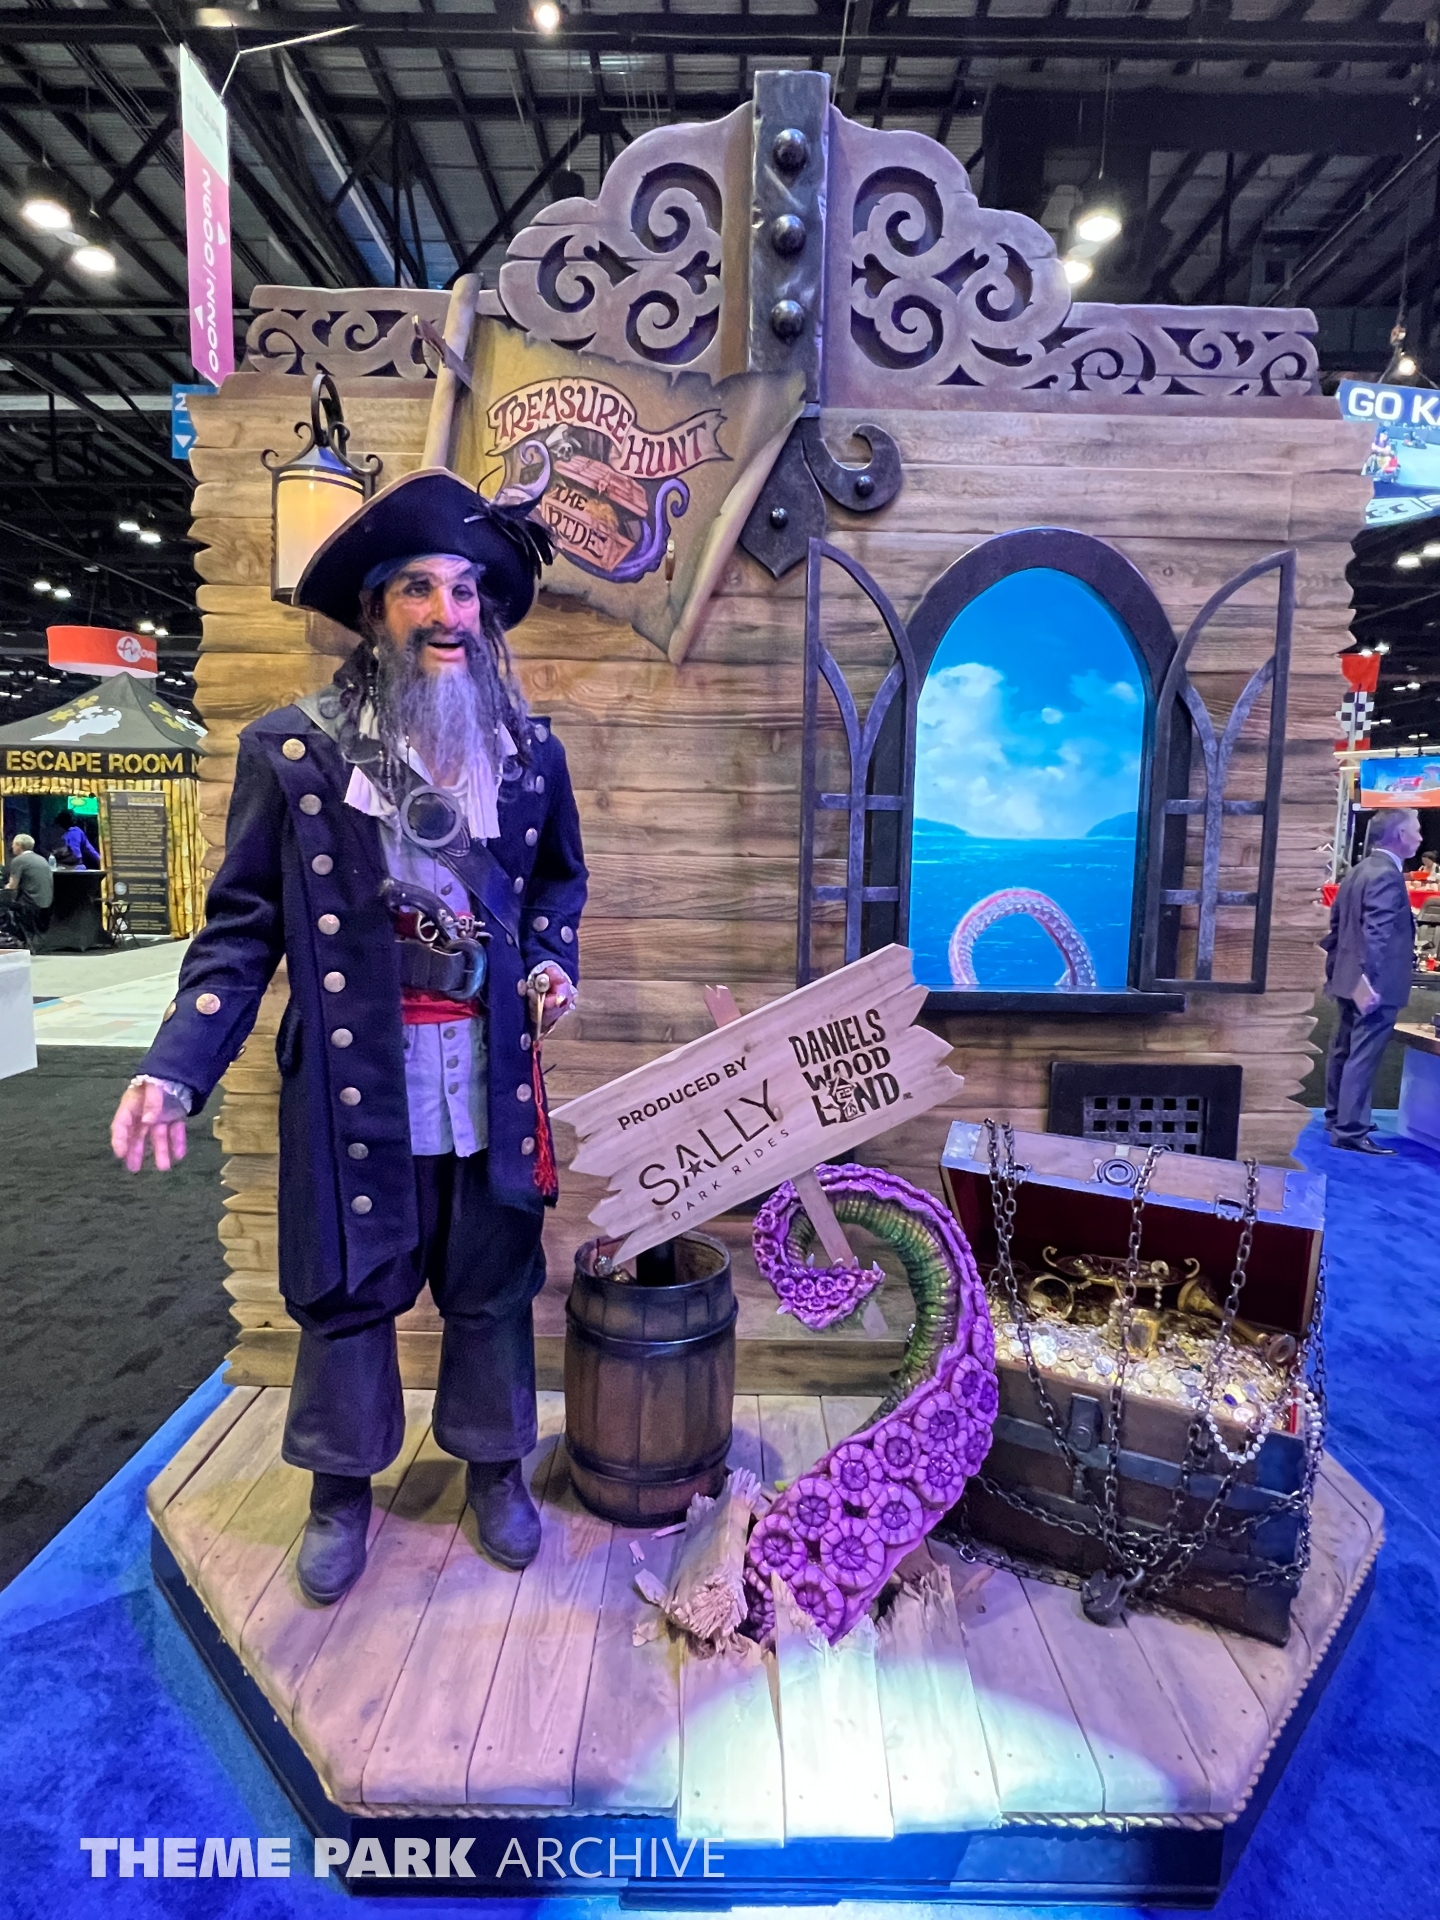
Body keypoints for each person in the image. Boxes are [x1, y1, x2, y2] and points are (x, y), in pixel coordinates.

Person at [109, 468, 587, 1605]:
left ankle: (494, 1467)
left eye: (465, 590)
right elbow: (241, 931)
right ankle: (338, 1488)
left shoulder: (529, 754)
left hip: (486, 1073)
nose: (447, 614)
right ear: (375, 611)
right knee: (348, 1283)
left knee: (491, 1278)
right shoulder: (296, 754)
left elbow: (555, 887)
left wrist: (552, 961)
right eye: (419, 588)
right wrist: (175, 1069)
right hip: (355, 1076)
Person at [1320, 807, 1422, 1154]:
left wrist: (1341, 973)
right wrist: (1370, 980)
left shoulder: (1358, 871)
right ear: (1400, 835)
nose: (1420, 837)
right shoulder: (1387, 875)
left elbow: (1336, 927)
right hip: (1374, 982)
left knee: (1344, 1049)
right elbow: (1377, 933)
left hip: (1348, 976)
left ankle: (1338, 1117)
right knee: (1362, 1055)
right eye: (1415, 830)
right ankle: (1350, 1130)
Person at [2, 832, 54, 943]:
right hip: (46, 903)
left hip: (29, 904)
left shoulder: (19, 860)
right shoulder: (42, 859)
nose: (12, 847)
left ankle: (10, 940)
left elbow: (12, 886)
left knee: (3, 906)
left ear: (19, 845)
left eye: (14, 844)